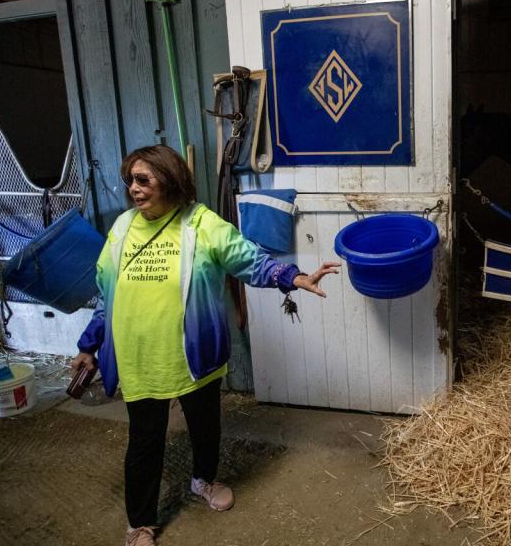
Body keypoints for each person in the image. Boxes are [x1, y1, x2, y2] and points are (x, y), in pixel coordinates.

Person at [71, 145, 338, 546]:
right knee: (144, 442)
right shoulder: (123, 228)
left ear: (171, 179)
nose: (134, 189)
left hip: (195, 356)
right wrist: (89, 345)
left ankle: (204, 480)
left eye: (144, 179)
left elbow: (249, 259)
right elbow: (106, 295)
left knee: (205, 426)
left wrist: (292, 277)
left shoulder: (201, 223)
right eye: (130, 180)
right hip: (140, 360)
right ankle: (140, 522)